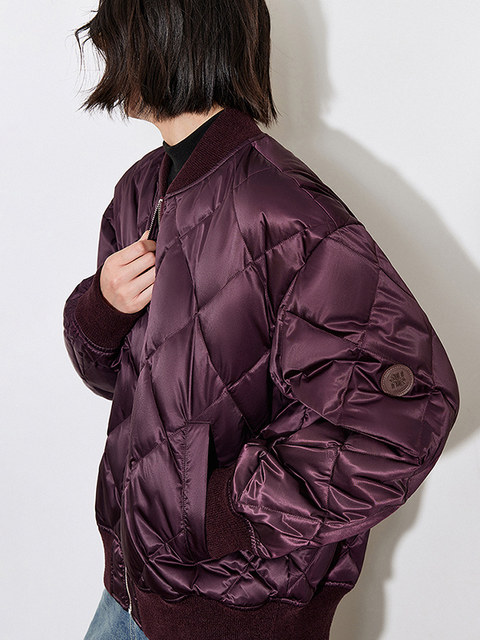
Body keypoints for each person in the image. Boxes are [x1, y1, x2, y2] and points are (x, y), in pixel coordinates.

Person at [64, 1, 460, 639]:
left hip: (237, 608)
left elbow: (406, 412)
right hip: (135, 589)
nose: (105, 44)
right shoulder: (139, 192)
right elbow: (120, 382)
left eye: (117, 25)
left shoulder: (281, 208)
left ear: (167, 32)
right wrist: (101, 309)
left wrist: (223, 510)